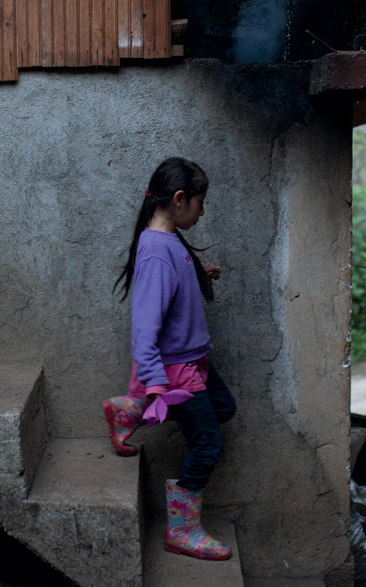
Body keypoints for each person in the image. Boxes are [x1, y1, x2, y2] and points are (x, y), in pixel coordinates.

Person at [103, 157, 235, 561]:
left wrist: (198, 274)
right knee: (208, 443)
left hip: (193, 360)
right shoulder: (157, 252)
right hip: (176, 370)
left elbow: (171, 286)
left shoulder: (169, 240)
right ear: (178, 199)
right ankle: (181, 529)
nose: (202, 211)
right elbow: (145, 328)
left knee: (224, 407)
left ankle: (131, 411)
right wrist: (154, 382)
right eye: (199, 202)